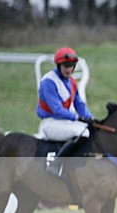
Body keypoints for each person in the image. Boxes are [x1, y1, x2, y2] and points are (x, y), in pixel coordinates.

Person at [37, 46, 96, 177]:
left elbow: (80, 105)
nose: (68, 69)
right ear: (58, 65)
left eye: (71, 66)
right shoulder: (48, 81)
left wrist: (92, 120)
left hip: (64, 123)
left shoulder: (72, 82)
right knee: (83, 132)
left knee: (91, 130)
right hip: (50, 123)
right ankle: (56, 165)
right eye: (65, 66)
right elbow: (57, 110)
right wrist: (77, 117)